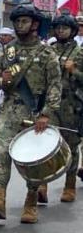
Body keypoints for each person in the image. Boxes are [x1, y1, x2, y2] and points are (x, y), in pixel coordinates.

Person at [0, 2, 61, 224]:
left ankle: (31, 201)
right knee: (0, 152)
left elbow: (55, 86)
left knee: (33, 160)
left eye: (24, 21)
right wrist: (1, 81)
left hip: (36, 112)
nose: (20, 25)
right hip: (9, 110)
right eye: (17, 21)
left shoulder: (47, 53)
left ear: (35, 24)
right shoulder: (6, 52)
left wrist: (46, 114)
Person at [37, 13, 82, 203]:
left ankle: (69, 184)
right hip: (50, 104)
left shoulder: (79, 53)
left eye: (65, 28)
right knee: (46, 143)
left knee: (71, 145)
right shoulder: (49, 50)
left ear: (72, 31)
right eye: (59, 27)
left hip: (71, 105)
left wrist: (75, 71)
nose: (61, 30)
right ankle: (42, 185)